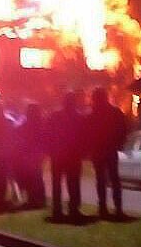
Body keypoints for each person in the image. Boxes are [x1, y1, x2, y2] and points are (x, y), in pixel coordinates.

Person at [88, 87, 127, 219]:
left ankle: (104, 208)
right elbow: (123, 129)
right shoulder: (115, 112)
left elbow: (86, 134)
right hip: (109, 150)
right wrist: (119, 144)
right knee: (113, 179)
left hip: (100, 151)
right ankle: (117, 208)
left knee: (102, 180)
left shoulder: (93, 114)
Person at [47, 92, 85, 222]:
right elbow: (82, 137)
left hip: (59, 155)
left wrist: (50, 150)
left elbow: (48, 133)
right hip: (72, 155)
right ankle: (73, 209)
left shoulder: (55, 116)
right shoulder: (79, 117)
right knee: (73, 183)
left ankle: (58, 210)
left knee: (58, 183)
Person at [16, 104, 46, 209]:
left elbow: (19, 132)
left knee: (32, 177)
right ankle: (39, 199)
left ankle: (33, 199)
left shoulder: (27, 124)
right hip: (36, 154)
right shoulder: (40, 124)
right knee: (37, 176)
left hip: (29, 154)